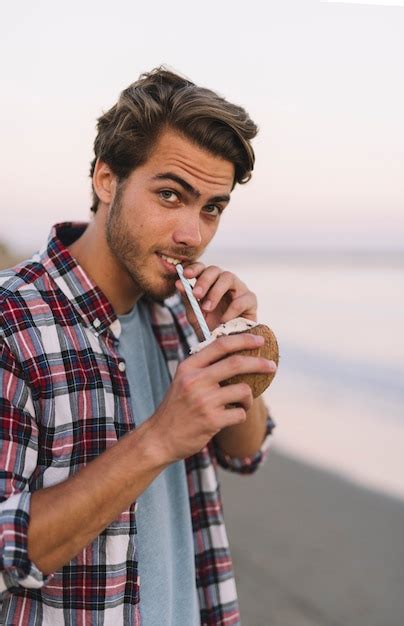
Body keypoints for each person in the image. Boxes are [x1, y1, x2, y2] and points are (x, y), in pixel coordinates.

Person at [0, 67, 276, 625]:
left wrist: (239, 351)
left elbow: (244, 452)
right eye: (170, 195)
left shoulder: (180, 312)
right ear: (107, 179)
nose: (191, 234)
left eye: (211, 208)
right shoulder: (12, 322)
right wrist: (158, 438)